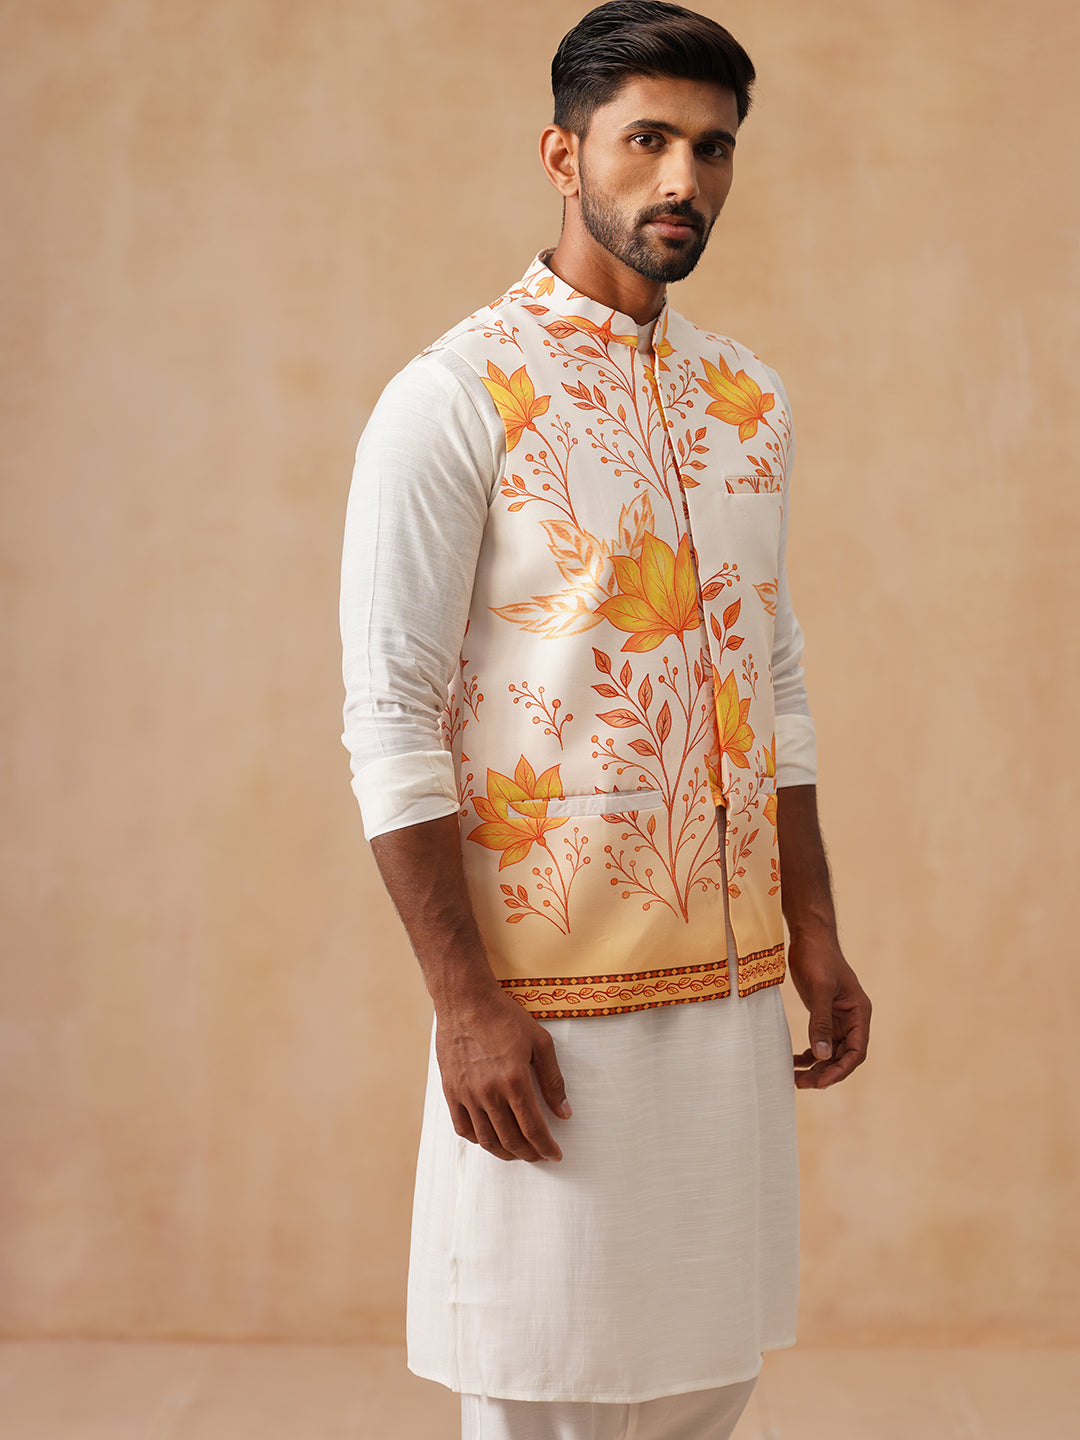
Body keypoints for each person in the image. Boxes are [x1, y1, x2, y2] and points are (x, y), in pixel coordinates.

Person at [340, 3, 872, 1436]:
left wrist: (815, 930)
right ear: (562, 153)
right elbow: (388, 715)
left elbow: (771, 682)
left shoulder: (747, 403)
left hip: (732, 999)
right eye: (647, 140)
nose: (682, 178)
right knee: (546, 1394)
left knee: (708, 1385)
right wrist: (464, 1006)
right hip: (545, 1006)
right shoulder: (454, 397)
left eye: (713, 147)